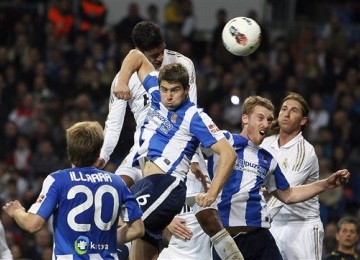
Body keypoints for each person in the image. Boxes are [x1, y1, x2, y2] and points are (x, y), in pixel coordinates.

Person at [113, 49, 242, 260]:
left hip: (166, 185)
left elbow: (228, 154)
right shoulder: (156, 95)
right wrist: (122, 82)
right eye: (165, 90)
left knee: (116, 218)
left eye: (175, 90)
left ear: (186, 90)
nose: (169, 96)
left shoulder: (194, 116)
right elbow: (136, 55)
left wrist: (212, 194)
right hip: (151, 185)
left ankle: (94, 243)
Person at [200, 95, 350, 260]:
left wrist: (326, 184)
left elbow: (289, 195)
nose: (266, 124)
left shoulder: (267, 158)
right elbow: (191, 143)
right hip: (228, 238)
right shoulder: (225, 140)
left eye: (269, 119)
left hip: (261, 236)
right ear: (245, 118)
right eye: (260, 118)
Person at [2, 121, 144, 258]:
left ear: (69, 150)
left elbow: (33, 224)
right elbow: (138, 229)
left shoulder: (58, 181)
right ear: (99, 151)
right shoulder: (117, 182)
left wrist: (17, 212)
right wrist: (105, 242)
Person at [95, 20, 198, 187]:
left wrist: (193, 157)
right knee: (117, 189)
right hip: (143, 147)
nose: (160, 58)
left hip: (179, 145)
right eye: (153, 55)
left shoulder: (183, 65)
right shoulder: (124, 78)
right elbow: (114, 124)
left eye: (162, 51)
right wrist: (103, 156)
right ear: (139, 52)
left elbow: (191, 112)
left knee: (202, 212)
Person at [260, 92, 324, 260]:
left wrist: (257, 221)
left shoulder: (305, 151)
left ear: (303, 121)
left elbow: (284, 193)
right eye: (284, 109)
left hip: (302, 226)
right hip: (272, 224)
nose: (287, 114)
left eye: (294, 110)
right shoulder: (265, 144)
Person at [158, 152, 211, 260]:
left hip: (199, 251)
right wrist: (165, 222)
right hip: (172, 251)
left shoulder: (211, 168)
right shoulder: (164, 166)